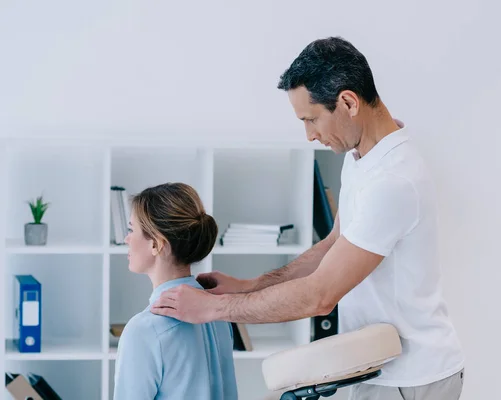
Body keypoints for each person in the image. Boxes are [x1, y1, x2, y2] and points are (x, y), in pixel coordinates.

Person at [151, 37, 465, 400]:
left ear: (348, 102)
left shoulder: (393, 181)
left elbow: (320, 296)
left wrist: (214, 309)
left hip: (413, 378)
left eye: (312, 119)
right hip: (378, 364)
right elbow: (333, 246)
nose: (310, 135)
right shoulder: (362, 158)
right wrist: (249, 285)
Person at [113, 182, 238, 400]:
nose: (126, 239)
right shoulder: (218, 316)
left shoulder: (144, 330)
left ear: (156, 244)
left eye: (132, 230)